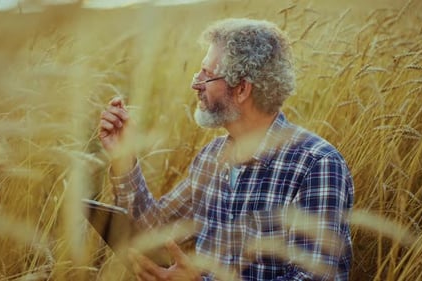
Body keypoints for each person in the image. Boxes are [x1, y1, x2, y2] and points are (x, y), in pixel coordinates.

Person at [99, 18, 354, 281]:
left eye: (207, 75)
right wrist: (123, 158)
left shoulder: (316, 165)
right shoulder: (211, 158)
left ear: (242, 89)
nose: (195, 84)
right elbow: (155, 233)